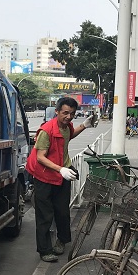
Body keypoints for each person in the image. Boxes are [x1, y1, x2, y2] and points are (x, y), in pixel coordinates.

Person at [26, 97, 95, 263]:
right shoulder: (46, 131)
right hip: (44, 176)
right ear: (56, 111)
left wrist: (84, 125)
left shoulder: (67, 127)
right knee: (45, 215)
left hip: (62, 174)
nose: (69, 117)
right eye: (65, 113)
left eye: (72, 114)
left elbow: (69, 136)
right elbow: (41, 157)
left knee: (63, 211)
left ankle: (62, 240)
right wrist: (61, 169)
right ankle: (44, 250)